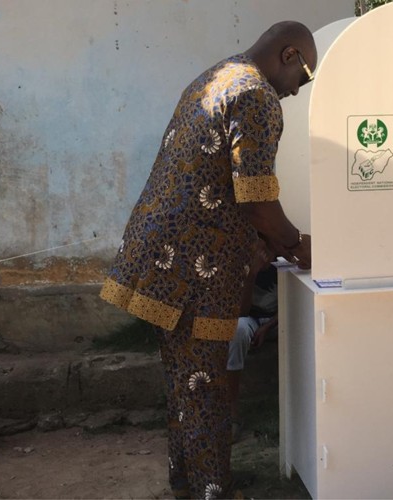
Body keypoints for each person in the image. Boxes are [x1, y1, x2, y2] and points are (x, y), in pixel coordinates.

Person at [99, 20, 316, 500]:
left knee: (186, 387)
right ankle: (213, 493)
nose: (299, 92)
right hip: (195, 273)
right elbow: (256, 199)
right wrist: (297, 243)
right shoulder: (256, 95)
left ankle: (187, 486)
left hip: (160, 262)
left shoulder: (217, 76)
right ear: (288, 55)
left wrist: (270, 244)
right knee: (207, 388)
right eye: (305, 77)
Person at [227, 242, 278, 443]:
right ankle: (232, 412)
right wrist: (251, 275)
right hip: (252, 320)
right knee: (236, 330)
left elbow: (295, 304)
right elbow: (242, 312)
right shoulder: (239, 266)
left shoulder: (283, 264)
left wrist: (268, 327)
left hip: (278, 320)